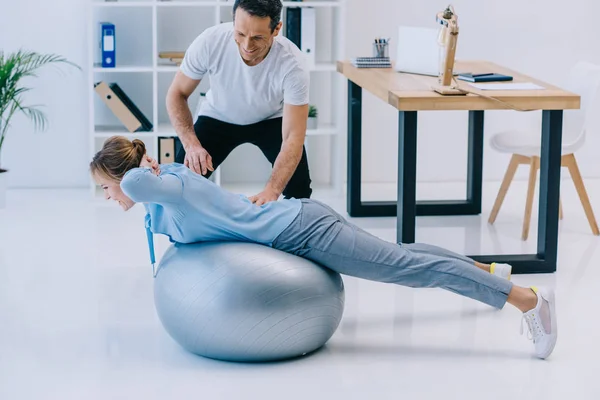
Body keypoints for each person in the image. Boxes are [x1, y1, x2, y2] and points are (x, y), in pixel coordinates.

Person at [90, 136, 558, 360]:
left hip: (300, 233)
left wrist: (138, 164)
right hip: (296, 220)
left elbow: (134, 179)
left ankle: (530, 302)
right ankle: (490, 272)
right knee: (403, 254)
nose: (108, 198)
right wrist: (138, 171)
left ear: (126, 175)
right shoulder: (163, 194)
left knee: (406, 268)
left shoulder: (164, 184)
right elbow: (149, 210)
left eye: (106, 188)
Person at [166, 0, 312, 206]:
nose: (246, 46)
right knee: (181, 184)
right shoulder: (210, 41)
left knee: (299, 189)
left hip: (270, 118)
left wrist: (272, 190)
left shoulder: (293, 64)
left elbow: (293, 137)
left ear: (276, 29)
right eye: (240, 34)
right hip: (218, 115)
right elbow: (176, 93)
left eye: (257, 37)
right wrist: (191, 144)